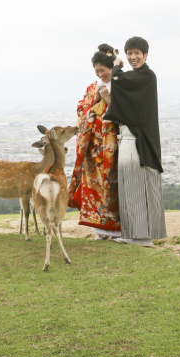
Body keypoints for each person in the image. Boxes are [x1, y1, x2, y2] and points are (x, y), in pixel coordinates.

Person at [103, 36, 166, 246]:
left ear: (146, 55)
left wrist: (116, 65)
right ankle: (135, 234)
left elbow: (119, 80)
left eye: (137, 53)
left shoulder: (146, 76)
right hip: (128, 138)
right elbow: (123, 91)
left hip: (136, 140)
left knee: (137, 186)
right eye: (129, 53)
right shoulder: (138, 77)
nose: (133, 57)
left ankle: (142, 236)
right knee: (130, 186)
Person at [68, 44, 121, 239]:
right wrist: (95, 100)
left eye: (103, 70)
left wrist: (108, 100)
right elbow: (81, 111)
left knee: (113, 186)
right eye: (97, 71)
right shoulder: (92, 88)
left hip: (113, 145)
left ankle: (117, 229)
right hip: (93, 148)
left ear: (112, 68)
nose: (100, 74)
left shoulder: (121, 85)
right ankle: (99, 229)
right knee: (94, 187)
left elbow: (128, 112)